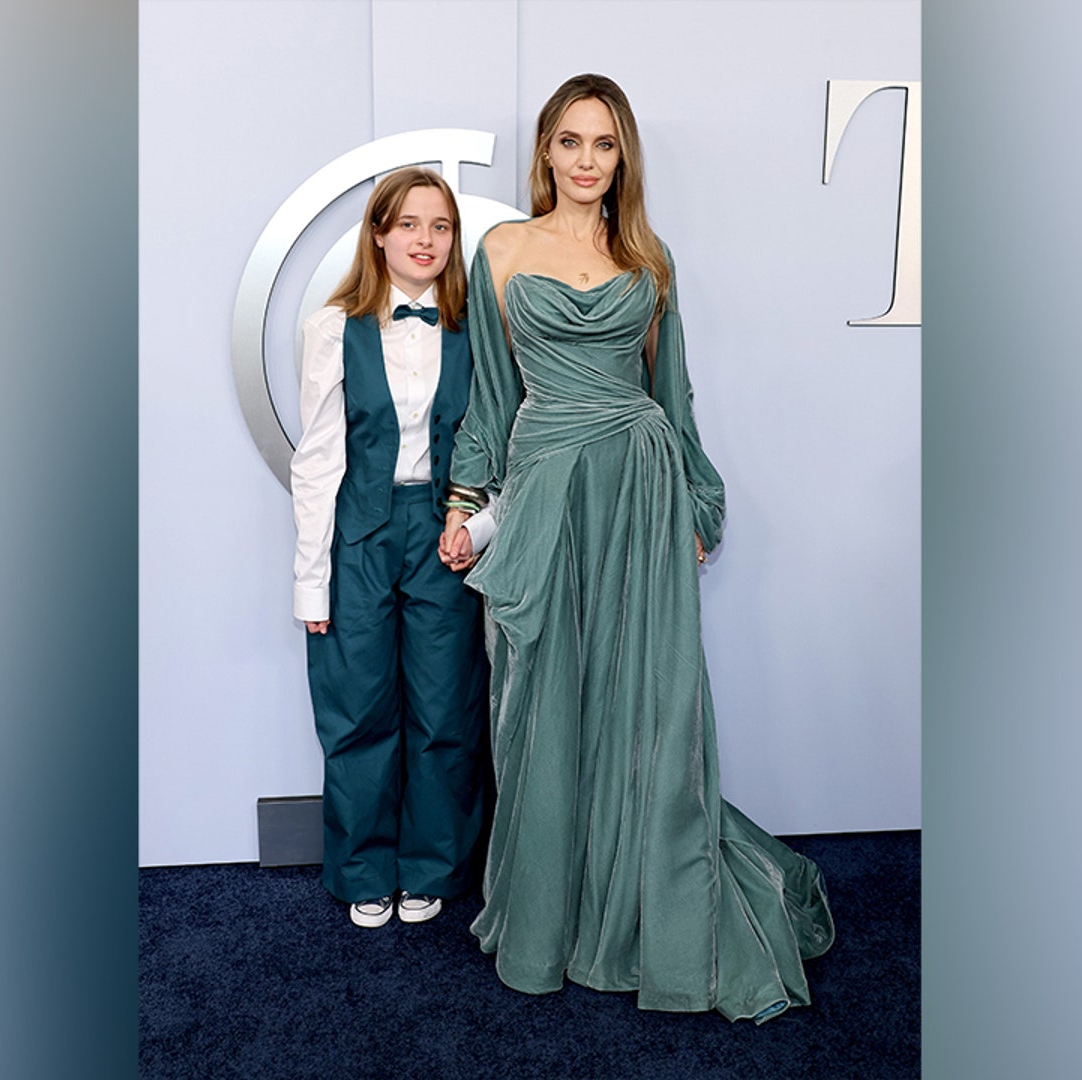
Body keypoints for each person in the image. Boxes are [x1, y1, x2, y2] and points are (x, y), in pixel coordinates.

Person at [438, 74, 835, 1022]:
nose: (585, 161)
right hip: (544, 492)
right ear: (545, 152)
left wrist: (697, 499)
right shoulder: (500, 249)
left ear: (623, 158)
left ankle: (643, 907)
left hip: (640, 489)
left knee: (645, 704)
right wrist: (465, 501)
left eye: (603, 145)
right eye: (570, 142)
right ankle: (549, 917)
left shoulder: (648, 258)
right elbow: (492, 399)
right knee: (538, 700)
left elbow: (674, 394)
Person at [292, 167, 490, 929]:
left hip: (445, 534)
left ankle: (432, 865)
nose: (425, 240)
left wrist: (478, 524)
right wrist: (311, 583)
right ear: (378, 233)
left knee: (444, 710)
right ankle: (363, 868)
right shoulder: (333, 327)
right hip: (359, 532)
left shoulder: (480, 328)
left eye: (439, 227)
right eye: (408, 224)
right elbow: (314, 460)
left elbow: (500, 444)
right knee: (357, 709)